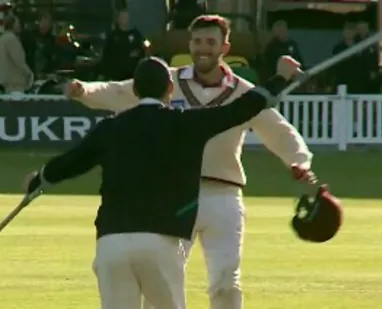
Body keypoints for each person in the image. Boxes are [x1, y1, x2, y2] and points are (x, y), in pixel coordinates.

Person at [63, 15, 315, 309]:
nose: (202, 49)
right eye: (197, 42)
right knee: (160, 280)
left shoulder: (244, 92)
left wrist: (299, 161)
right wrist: (85, 91)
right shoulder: (169, 82)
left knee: (225, 284)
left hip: (224, 196)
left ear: (225, 47)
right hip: (176, 196)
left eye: (211, 42)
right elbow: (121, 92)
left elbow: (279, 130)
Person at [101, 9, 146, 81]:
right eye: (122, 17)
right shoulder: (113, 36)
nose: (124, 19)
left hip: (132, 77)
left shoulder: (136, 34)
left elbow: (141, 52)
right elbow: (107, 55)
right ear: (118, 19)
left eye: (126, 17)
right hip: (116, 76)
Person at [0, 15, 33, 94]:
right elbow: (18, 61)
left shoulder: (2, 39)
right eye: (17, 23)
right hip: (15, 80)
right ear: (13, 25)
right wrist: (29, 73)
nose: (19, 25)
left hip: (7, 80)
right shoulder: (12, 39)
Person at [332, 23, 362, 93]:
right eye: (347, 32)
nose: (349, 34)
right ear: (343, 33)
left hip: (357, 82)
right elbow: (336, 63)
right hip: (342, 81)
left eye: (351, 31)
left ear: (354, 33)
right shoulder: (338, 48)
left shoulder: (360, 46)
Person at [355, 20, 380, 93]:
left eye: (365, 28)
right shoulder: (354, 43)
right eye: (361, 28)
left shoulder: (373, 42)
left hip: (372, 75)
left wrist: (374, 71)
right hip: (358, 76)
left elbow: (376, 58)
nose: (363, 30)